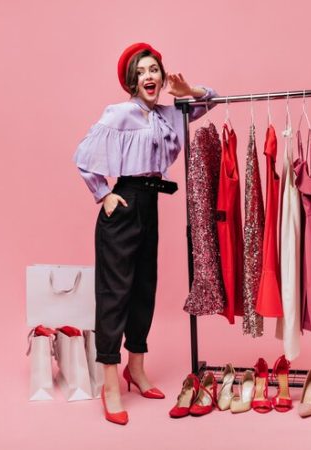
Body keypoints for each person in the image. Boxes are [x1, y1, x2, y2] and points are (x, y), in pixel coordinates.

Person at [73, 42, 218, 425]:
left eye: (153, 69)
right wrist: (103, 194)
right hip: (124, 204)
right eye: (140, 72)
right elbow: (83, 156)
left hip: (151, 205)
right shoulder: (119, 113)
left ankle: (135, 369)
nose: (148, 77)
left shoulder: (169, 114)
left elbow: (213, 100)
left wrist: (189, 93)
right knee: (115, 293)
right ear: (130, 82)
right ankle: (110, 382)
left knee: (144, 289)